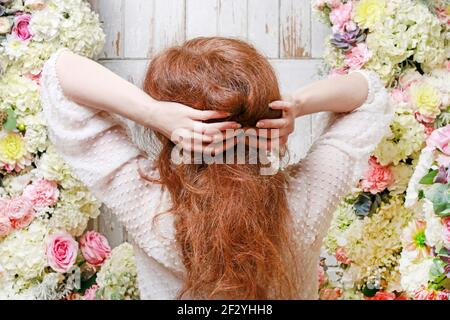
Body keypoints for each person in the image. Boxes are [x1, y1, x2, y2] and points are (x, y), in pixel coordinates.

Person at [40, 37, 393, 299]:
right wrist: (294, 105)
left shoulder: (148, 205)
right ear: (265, 117)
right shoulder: (306, 201)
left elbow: (60, 74)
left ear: (174, 132)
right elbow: (369, 94)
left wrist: (152, 112)